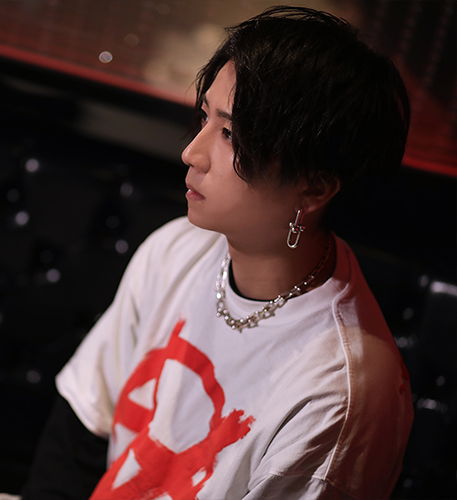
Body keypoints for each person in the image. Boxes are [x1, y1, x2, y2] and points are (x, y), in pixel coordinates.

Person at [21, 5, 413, 500]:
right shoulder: (176, 250)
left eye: (230, 134)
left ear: (314, 188)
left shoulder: (338, 391)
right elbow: (80, 430)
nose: (192, 152)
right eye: (205, 117)